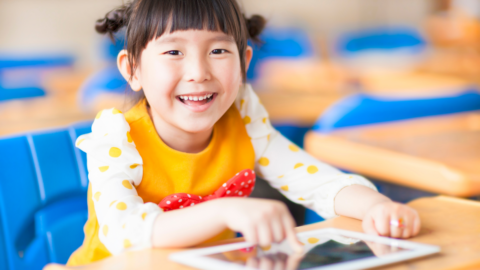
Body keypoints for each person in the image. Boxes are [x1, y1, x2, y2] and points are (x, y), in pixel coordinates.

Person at [67, 0, 421, 266]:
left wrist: (376, 207)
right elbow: (124, 233)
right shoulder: (116, 137)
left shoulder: (244, 120)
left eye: (218, 51)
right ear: (133, 70)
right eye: (174, 51)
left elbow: (313, 180)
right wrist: (225, 211)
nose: (198, 72)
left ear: (244, 63)